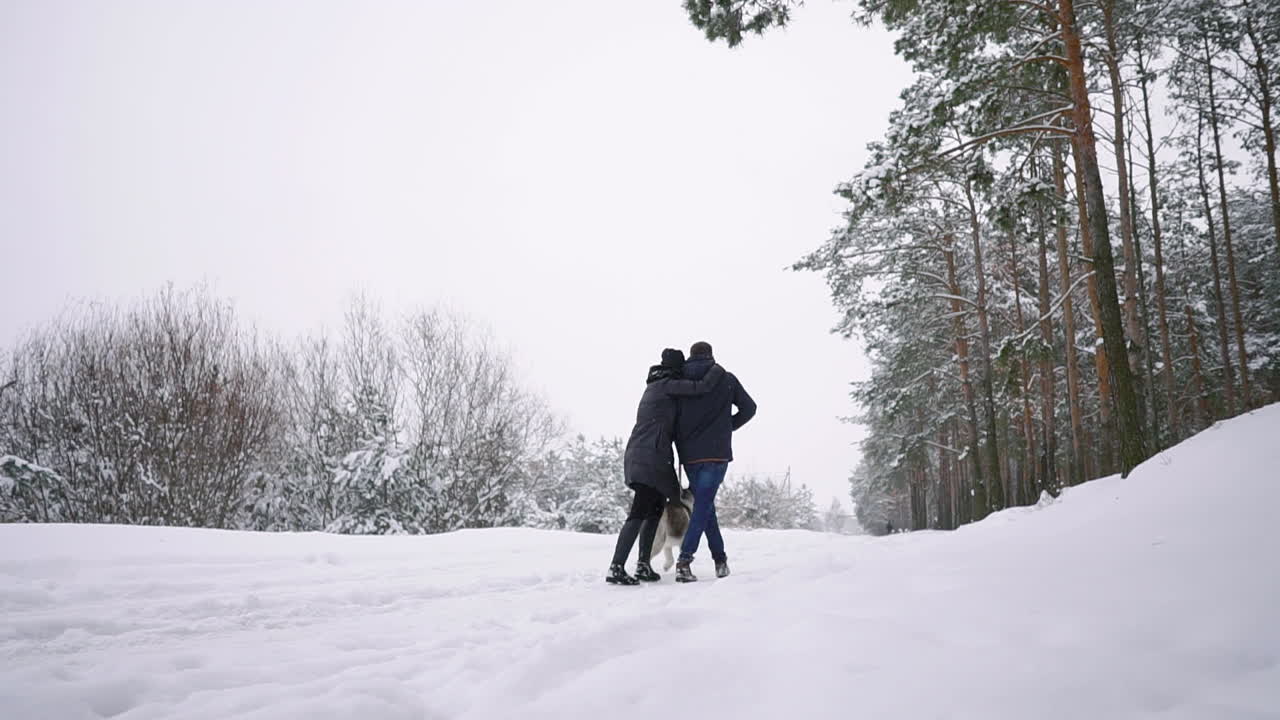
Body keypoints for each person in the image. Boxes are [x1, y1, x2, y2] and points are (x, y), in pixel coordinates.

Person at [607, 348, 725, 586]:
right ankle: (616, 567)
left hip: (651, 454)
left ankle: (643, 564)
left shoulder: (656, 385)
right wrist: (716, 370)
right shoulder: (666, 385)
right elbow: (700, 387)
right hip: (649, 455)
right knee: (640, 510)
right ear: (675, 369)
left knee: (655, 508)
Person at [673, 341, 756, 583]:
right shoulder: (726, 379)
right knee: (703, 506)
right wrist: (727, 427)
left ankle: (720, 561)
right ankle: (684, 561)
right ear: (710, 355)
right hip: (716, 454)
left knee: (705, 506)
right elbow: (749, 408)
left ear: (690, 357)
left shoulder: (682, 382)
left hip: (690, 455)